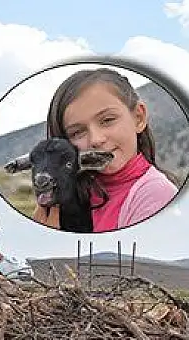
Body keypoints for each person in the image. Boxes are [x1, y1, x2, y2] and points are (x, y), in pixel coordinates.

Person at [33, 68, 179, 232]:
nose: (96, 139)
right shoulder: (70, 197)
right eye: (77, 132)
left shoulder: (155, 195)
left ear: (138, 118)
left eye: (108, 120)